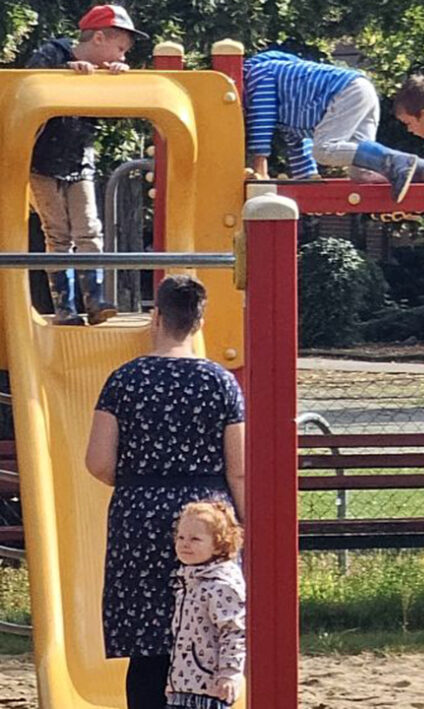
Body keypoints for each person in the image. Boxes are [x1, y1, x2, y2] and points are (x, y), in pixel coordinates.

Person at [85, 275, 245, 709]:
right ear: (200, 322)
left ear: (156, 317)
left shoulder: (125, 380)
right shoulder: (220, 382)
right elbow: (239, 468)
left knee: (148, 639)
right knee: (208, 628)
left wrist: (139, 483)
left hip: (140, 511)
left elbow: (98, 461)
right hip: (207, 516)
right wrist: (242, 525)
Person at [25, 4, 143, 325]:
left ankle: (96, 300)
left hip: (79, 159)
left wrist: (116, 80)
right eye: (120, 49)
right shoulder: (53, 54)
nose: (121, 56)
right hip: (41, 162)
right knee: (58, 234)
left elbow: (115, 110)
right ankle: (65, 307)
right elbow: (29, 86)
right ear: (99, 38)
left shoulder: (103, 71)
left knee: (89, 229)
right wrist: (66, 72)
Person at [243, 50, 424, 203]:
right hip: (360, 90)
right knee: (361, 174)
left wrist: (260, 170)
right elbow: (296, 142)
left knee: (324, 150)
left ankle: (397, 161)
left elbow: (261, 118)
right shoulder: (287, 104)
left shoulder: (255, 76)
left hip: (344, 91)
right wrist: (308, 179)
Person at [167, 500, 246, 709]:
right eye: (181, 537)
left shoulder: (220, 586)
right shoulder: (189, 582)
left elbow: (234, 631)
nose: (185, 544)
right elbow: (183, 638)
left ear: (219, 545)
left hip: (211, 689)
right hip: (184, 688)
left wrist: (229, 673)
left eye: (195, 539)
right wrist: (174, 681)